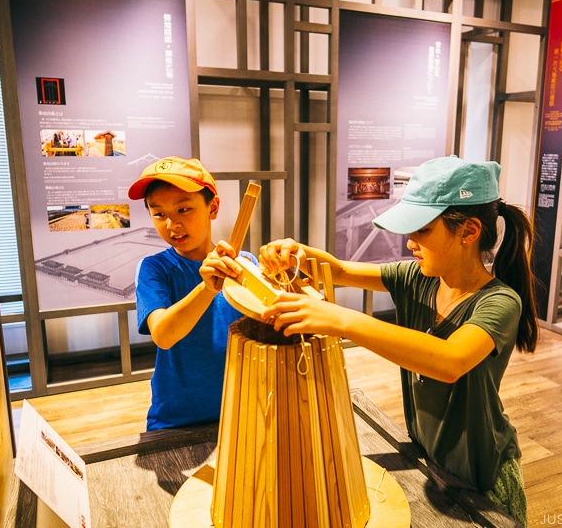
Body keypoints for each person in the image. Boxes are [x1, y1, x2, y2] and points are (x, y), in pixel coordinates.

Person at [259, 155, 538, 526]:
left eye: (421, 231)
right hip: (429, 457)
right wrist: (300, 254)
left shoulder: (499, 302)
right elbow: (340, 271)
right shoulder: (417, 277)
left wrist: (343, 320)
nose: (410, 244)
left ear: (468, 232)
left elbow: (449, 360)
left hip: (480, 474)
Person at [128, 156, 256, 431]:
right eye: (159, 214)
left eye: (184, 209)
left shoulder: (245, 264)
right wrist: (206, 288)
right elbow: (163, 335)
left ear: (213, 207)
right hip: (176, 419)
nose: (172, 225)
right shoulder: (154, 269)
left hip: (242, 410)